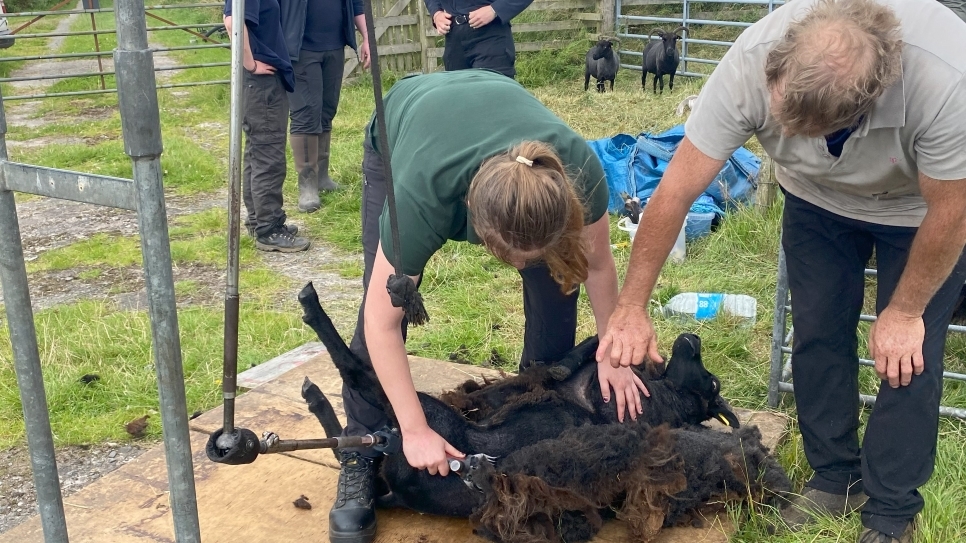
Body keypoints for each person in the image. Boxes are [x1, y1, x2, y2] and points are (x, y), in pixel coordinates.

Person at [596, 1, 966, 542]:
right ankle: (835, 475)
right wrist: (631, 306)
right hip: (814, 200)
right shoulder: (752, 60)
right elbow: (675, 190)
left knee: (907, 354)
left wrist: (905, 310)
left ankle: (890, 509)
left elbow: (953, 212)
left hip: (917, 210)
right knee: (816, 329)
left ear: (864, 107)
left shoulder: (945, 80)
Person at [327, 69, 649, 543]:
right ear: (474, 225)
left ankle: (534, 416)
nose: (523, 266)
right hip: (406, 127)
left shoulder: (577, 174)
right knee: (378, 305)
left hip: (498, 114)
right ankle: (360, 450)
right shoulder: (421, 201)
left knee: (558, 283)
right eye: (516, 258)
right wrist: (415, 429)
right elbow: (382, 324)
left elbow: (598, 267)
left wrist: (612, 353)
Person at [224, 0, 311, 252]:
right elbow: (232, 22)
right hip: (261, 83)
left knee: (256, 151)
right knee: (268, 155)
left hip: (256, 83)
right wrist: (249, 63)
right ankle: (270, 228)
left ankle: (257, 220)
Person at [280, 0, 371, 213]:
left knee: (326, 110)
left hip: (334, 46)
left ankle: (322, 177)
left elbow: (356, 5)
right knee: (306, 113)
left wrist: (367, 38)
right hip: (300, 48)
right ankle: (307, 185)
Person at [425, 0, 533, 78]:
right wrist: (436, 13)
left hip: (491, 36)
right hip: (454, 39)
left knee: (493, 100)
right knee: (459, 101)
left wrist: (495, 9)